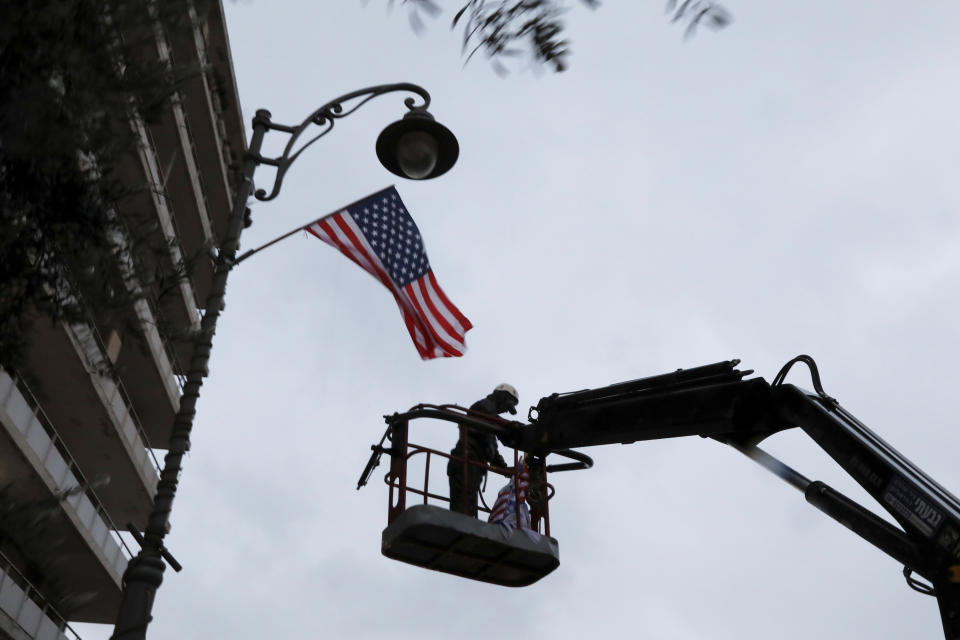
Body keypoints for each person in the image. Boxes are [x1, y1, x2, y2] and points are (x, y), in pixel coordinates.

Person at [447, 383, 519, 517]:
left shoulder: (488, 420)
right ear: (500, 397)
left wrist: (503, 467)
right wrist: (509, 427)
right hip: (466, 460)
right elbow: (490, 423)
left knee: (468, 506)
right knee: (463, 507)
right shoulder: (483, 407)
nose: (505, 411)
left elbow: (491, 444)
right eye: (506, 405)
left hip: (472, 462)